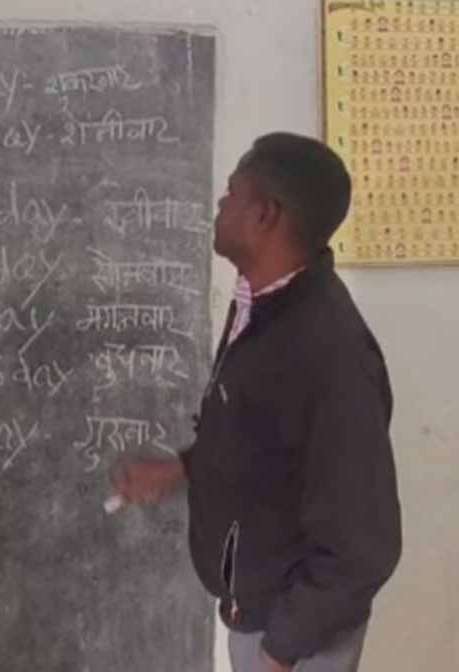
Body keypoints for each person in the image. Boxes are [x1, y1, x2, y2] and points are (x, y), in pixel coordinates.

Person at [111, 133, 402, 672]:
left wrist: (281, 649)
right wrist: (182, 467)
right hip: (259, 615)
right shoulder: (261, 304)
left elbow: (363, 546)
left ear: (265, 215)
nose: (221, 205)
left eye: (232, 193)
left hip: (299, 639)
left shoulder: (329, 351)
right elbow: (260, 438)